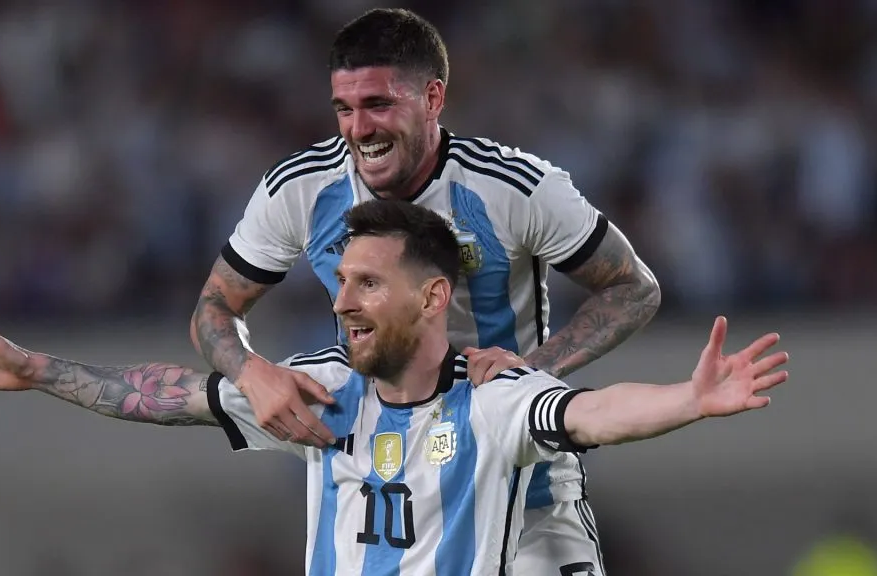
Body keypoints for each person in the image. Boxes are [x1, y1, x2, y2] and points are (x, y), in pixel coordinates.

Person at [0, 201, 787, 575]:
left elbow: (592, 414)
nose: (341, 301)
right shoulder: (320, 393)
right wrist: (38, 374)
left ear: (434, 297)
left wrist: (690, 399)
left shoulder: (489, 399)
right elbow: (170, 394)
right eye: (339, 282)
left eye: (367, 283)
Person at [189, 7, 662, 573]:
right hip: (393, 493)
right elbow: (214, 308)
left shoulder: (513, 188)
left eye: (379, 104)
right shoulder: (303, 190)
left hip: (526, 488)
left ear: (433, 98)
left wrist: (529, 371)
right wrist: (248, 370)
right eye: (344, 108)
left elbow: (633, 287)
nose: (358, 129)